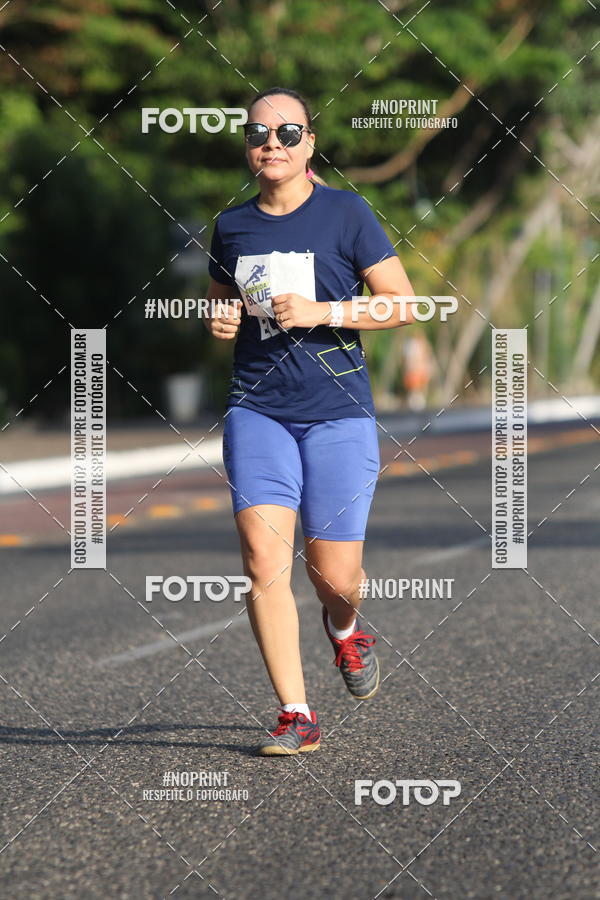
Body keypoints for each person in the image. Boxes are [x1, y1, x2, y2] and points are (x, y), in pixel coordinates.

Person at [204, 86, 415, 756]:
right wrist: (220, 319)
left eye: (288, 133)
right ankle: (296, 714)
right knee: (264, 558)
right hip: (257, 408)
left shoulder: (347, 214)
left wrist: (325, 312)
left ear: (309, 145)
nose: (272, 144)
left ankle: (346, 629)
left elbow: (404, 305)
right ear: (247, 145)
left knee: (336, 578)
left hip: (337, 413)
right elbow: (220, 304)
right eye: (260, 134)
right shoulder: (232, 225)